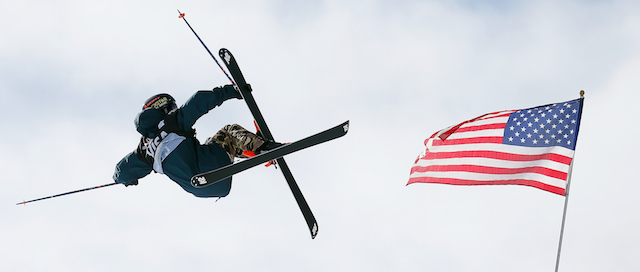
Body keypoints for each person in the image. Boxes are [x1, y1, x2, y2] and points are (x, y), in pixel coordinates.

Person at [112, 85, 281, 198]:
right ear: (163, 108)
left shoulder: (143, 151)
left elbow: (122, 170)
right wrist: (230, 91)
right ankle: (262, 148)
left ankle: (256, 148)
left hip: (199, 188)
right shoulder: (171, 122)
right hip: (208, 167)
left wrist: (127, 180)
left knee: (214, 144)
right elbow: (198, 102)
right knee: (228, 133)